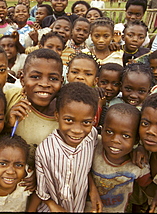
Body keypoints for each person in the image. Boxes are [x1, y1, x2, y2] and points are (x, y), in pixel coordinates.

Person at [29, 82, 102, 212]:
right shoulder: (45, 151)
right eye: (69, 120)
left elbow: (86, 169)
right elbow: (41, 190)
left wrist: (93, 190)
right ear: (57, 116)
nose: (77, 130)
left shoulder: (91, 137)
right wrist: (52, 205)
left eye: (86, 122)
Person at [89, 103, 157, 212]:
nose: (115, 140)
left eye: (126, 136)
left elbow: (147, 185)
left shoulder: (137, 164)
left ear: (136, 140)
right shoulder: (94, 146)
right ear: (101, 130)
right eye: (109, 132)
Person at [5, 49, 63, 160]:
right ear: (22, 79)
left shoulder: (65, 114)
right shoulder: (10, 98)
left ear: (61, 81)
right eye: (35, 77)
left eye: (53, 79)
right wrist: (8, 125)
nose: (44, 84)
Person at [66, 53, 103, 127]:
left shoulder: (97, 100)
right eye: (75, 72)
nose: (80, 77)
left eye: (88, 74)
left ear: (96, 80)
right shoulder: (59, 96)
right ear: (67, 76)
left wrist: (99, 105)